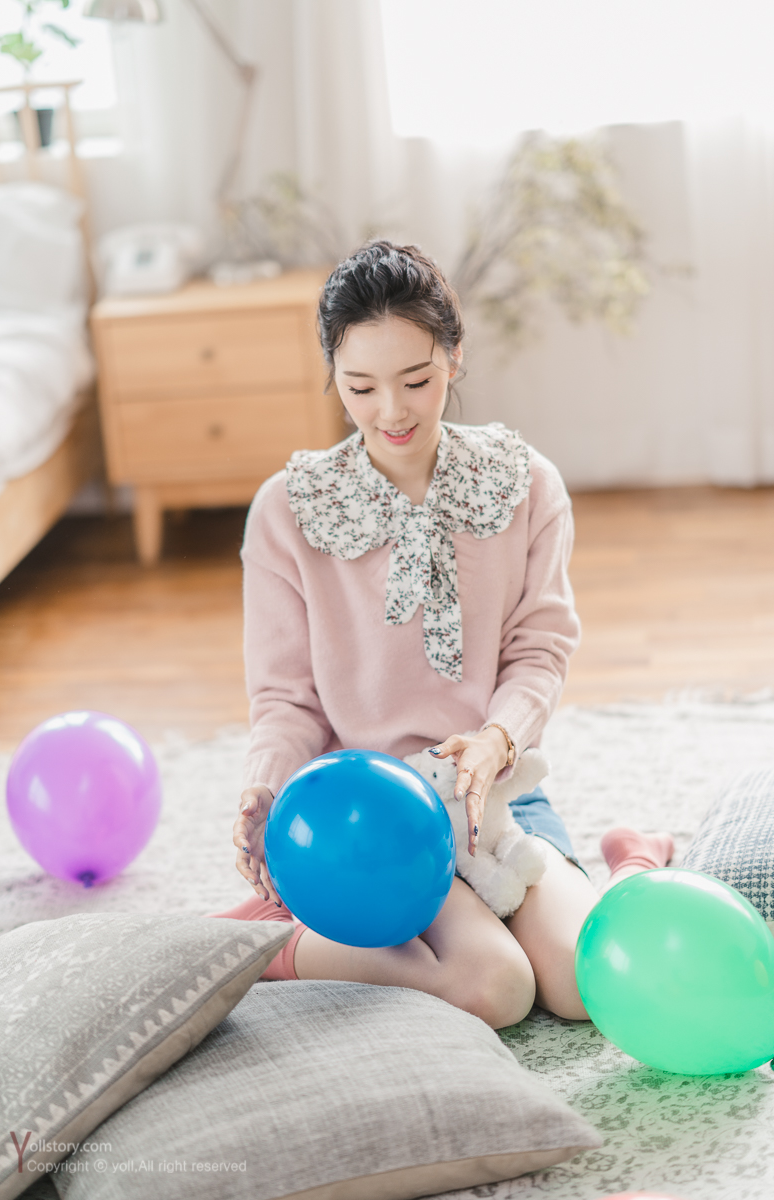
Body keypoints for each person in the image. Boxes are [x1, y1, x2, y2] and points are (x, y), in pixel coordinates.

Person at [209, 241, 673, 1030]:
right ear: (334, 375)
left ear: (455, 358)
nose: (392, 411)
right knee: (497, 988)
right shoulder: (286, 510)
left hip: (493, 795)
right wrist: (265, 786)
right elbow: (286, 698)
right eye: (361, 387)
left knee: (583, 985)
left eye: (416, 380)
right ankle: (267, 943)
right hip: (371, 811)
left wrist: (497, 740)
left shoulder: (526, 484)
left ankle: (632, 859)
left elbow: (539, 650)